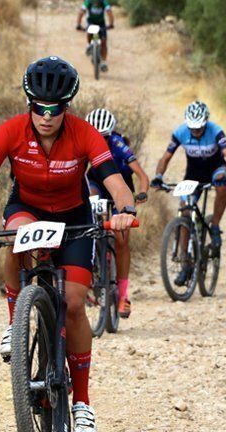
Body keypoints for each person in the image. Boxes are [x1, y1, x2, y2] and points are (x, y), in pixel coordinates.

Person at [0, 56, 136, 432]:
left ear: (66, 107)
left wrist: (125, 209)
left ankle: (83, 403)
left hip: (74, 217)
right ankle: (14, 322)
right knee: (17, 233)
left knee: (72, 304)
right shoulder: (10, 132)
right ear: (29, 104)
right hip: (27, 208)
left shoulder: (85, 133)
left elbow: (115, 181)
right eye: (39, 107)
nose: (46, 116)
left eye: (54, 109)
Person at [152, 100, 226, 285]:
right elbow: (165, 158)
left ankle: (214, 226)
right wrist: (158, 175)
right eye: (192, 129)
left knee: (223, 186)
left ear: (206, 123)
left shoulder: (216, 131)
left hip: (216, 170)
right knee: (184, 211)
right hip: (194, 174)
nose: (196, 132)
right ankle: (186, 264)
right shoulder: (180, 132)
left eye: (199, 129)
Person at [84, 108, 149, 318]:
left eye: (104, 137)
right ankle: (89, 273)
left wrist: (142, 192)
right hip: (97, 185)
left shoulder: (119, 145)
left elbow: (141, 175)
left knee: (121, 241)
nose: (99, 140)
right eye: (96, 136)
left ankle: (122, 295)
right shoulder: (85, 144)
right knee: (90, 216)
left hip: (120, 188)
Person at [76, 0, 114, 72]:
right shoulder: (88, 1)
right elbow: (81, 12)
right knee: (90, 32)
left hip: (101, 23)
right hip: (91, 22)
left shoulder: (103, 2)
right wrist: (78, 24)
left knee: (104, 42)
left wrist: (111, 23)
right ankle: (89, 45)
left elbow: (109, 12)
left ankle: (103, 62)